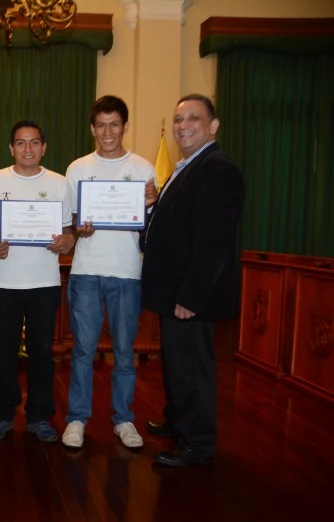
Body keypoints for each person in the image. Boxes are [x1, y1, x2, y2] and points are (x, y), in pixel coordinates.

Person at [142, 94, 245, 467]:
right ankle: (177, 422)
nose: (183, 126)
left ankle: (197, 444)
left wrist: (192, 296)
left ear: (213, 126)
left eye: (193, 119)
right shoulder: (187, 167)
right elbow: (174, 228)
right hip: (173, 292)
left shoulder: (219, 170)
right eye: (178, 119)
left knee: (193, 370)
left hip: (189, 297)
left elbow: (214, 244)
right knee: (175, 364)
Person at [62, 96, 158, 449]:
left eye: (114, 124)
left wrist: (152, 204)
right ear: (92, 129)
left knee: (123, 352)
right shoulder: (77, 169)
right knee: (83, 351)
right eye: (100, 125)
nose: (107, 131)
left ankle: (123, 419)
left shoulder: (144, 169)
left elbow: (152, 229)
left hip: (128, 272)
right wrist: (79, 229)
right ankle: (77, 419)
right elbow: (71, 222)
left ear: (125, 126)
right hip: (87, 270)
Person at [0, 120, 74, 443]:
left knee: (41, 353)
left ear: (44, 147)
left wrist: (67, 242)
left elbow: (69, 230)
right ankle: (3, 414)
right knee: (4, 351)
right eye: (21, 143)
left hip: (44, 282)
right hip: (5, 282)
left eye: (34, 143)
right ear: (11, 148)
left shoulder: (60, 184)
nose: (28, 149)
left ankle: (39, 416)